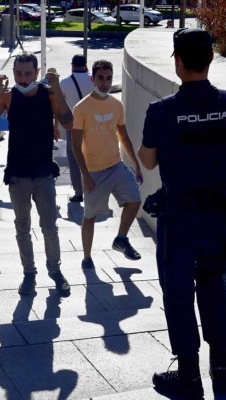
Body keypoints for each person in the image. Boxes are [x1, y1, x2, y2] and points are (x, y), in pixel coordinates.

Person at [138, 28, 226, 398]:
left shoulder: (161, 111)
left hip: (178, 218)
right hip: (216, 216)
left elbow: (147, 161)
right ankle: (220, 371)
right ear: (210, 59)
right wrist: (223, 181)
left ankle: (189, 376)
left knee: (177, 292)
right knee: (212, 285)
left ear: (178, 61)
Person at [0, 52, 73, 296]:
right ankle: (29, 273)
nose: (23, 79)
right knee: (22, 226)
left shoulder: (48, 95)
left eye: (28, 74)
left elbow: (69, 122)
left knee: (49, 226)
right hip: (18, 174)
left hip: (43, 173)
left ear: (37, 73)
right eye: (18, 74)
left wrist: (57, 90)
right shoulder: (9, 98)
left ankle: (55, 270)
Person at [72, 60, 143, 269]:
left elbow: (124, 137)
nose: (105, 83)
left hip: (115, 165)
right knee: (90, 216)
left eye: (109, 78)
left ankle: (121, 239)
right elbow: (76, 147)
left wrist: (136, 165)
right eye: (101, 78)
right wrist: (85, 175)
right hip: (93, 172)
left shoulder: (116, 104)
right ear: (92, 79)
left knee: (135, 199)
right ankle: (86, 257)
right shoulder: (81, 108)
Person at [59, 54, 93, 203]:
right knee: (92, 157)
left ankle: (78, 192)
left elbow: (60, 105)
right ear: (86, 65)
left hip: (73, 126)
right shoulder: (94, 80)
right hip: (93, 125)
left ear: (72, 65)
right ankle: (93, 188)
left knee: (74, 158)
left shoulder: (65, 83)